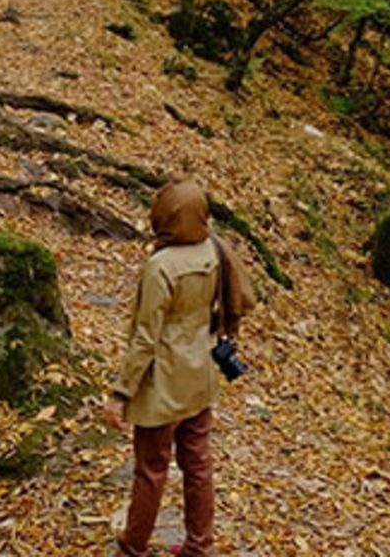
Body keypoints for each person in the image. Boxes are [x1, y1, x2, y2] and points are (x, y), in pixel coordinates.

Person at [104, 177, 254, 557]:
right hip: (199, 373)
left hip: (164, 383)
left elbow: (144, 339)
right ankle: (199, 546)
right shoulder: (214, 248)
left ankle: (132, 549)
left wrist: (121, 393)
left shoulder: (161, 266)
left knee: (151, 470)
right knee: (198, 464)